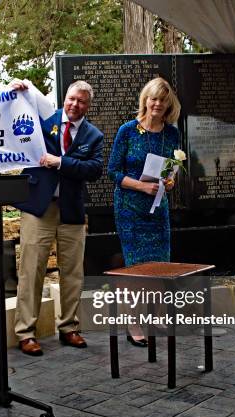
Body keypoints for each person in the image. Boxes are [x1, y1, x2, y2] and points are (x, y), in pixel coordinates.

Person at [12, 80, 104, 356]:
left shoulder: (93, 135)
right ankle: (25, 332)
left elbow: (95, 169)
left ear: (88, 105)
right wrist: (19, 89)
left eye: (82, 102)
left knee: (73, 272)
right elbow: (18, 113)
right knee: (32, 270)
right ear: (65, 98)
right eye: (72, 99)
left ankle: (69, 327)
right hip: (38, 207)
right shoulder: (44, 121)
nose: (75, 105)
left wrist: (61, 162)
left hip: (71, 211)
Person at [107, 77, 180, 347]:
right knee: (136, 268)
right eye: (153, 98)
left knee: (160, 264)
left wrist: (169, 181)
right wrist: (141, 186)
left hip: (157, 209)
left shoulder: (171, 134)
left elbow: (170, 169)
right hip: (129, 209)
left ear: (167, 103)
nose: (157, 103)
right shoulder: (128, 131)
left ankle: (155, 316)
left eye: (162, 99)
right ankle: (133, 322)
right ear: (145, 100)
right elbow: (113, 172)